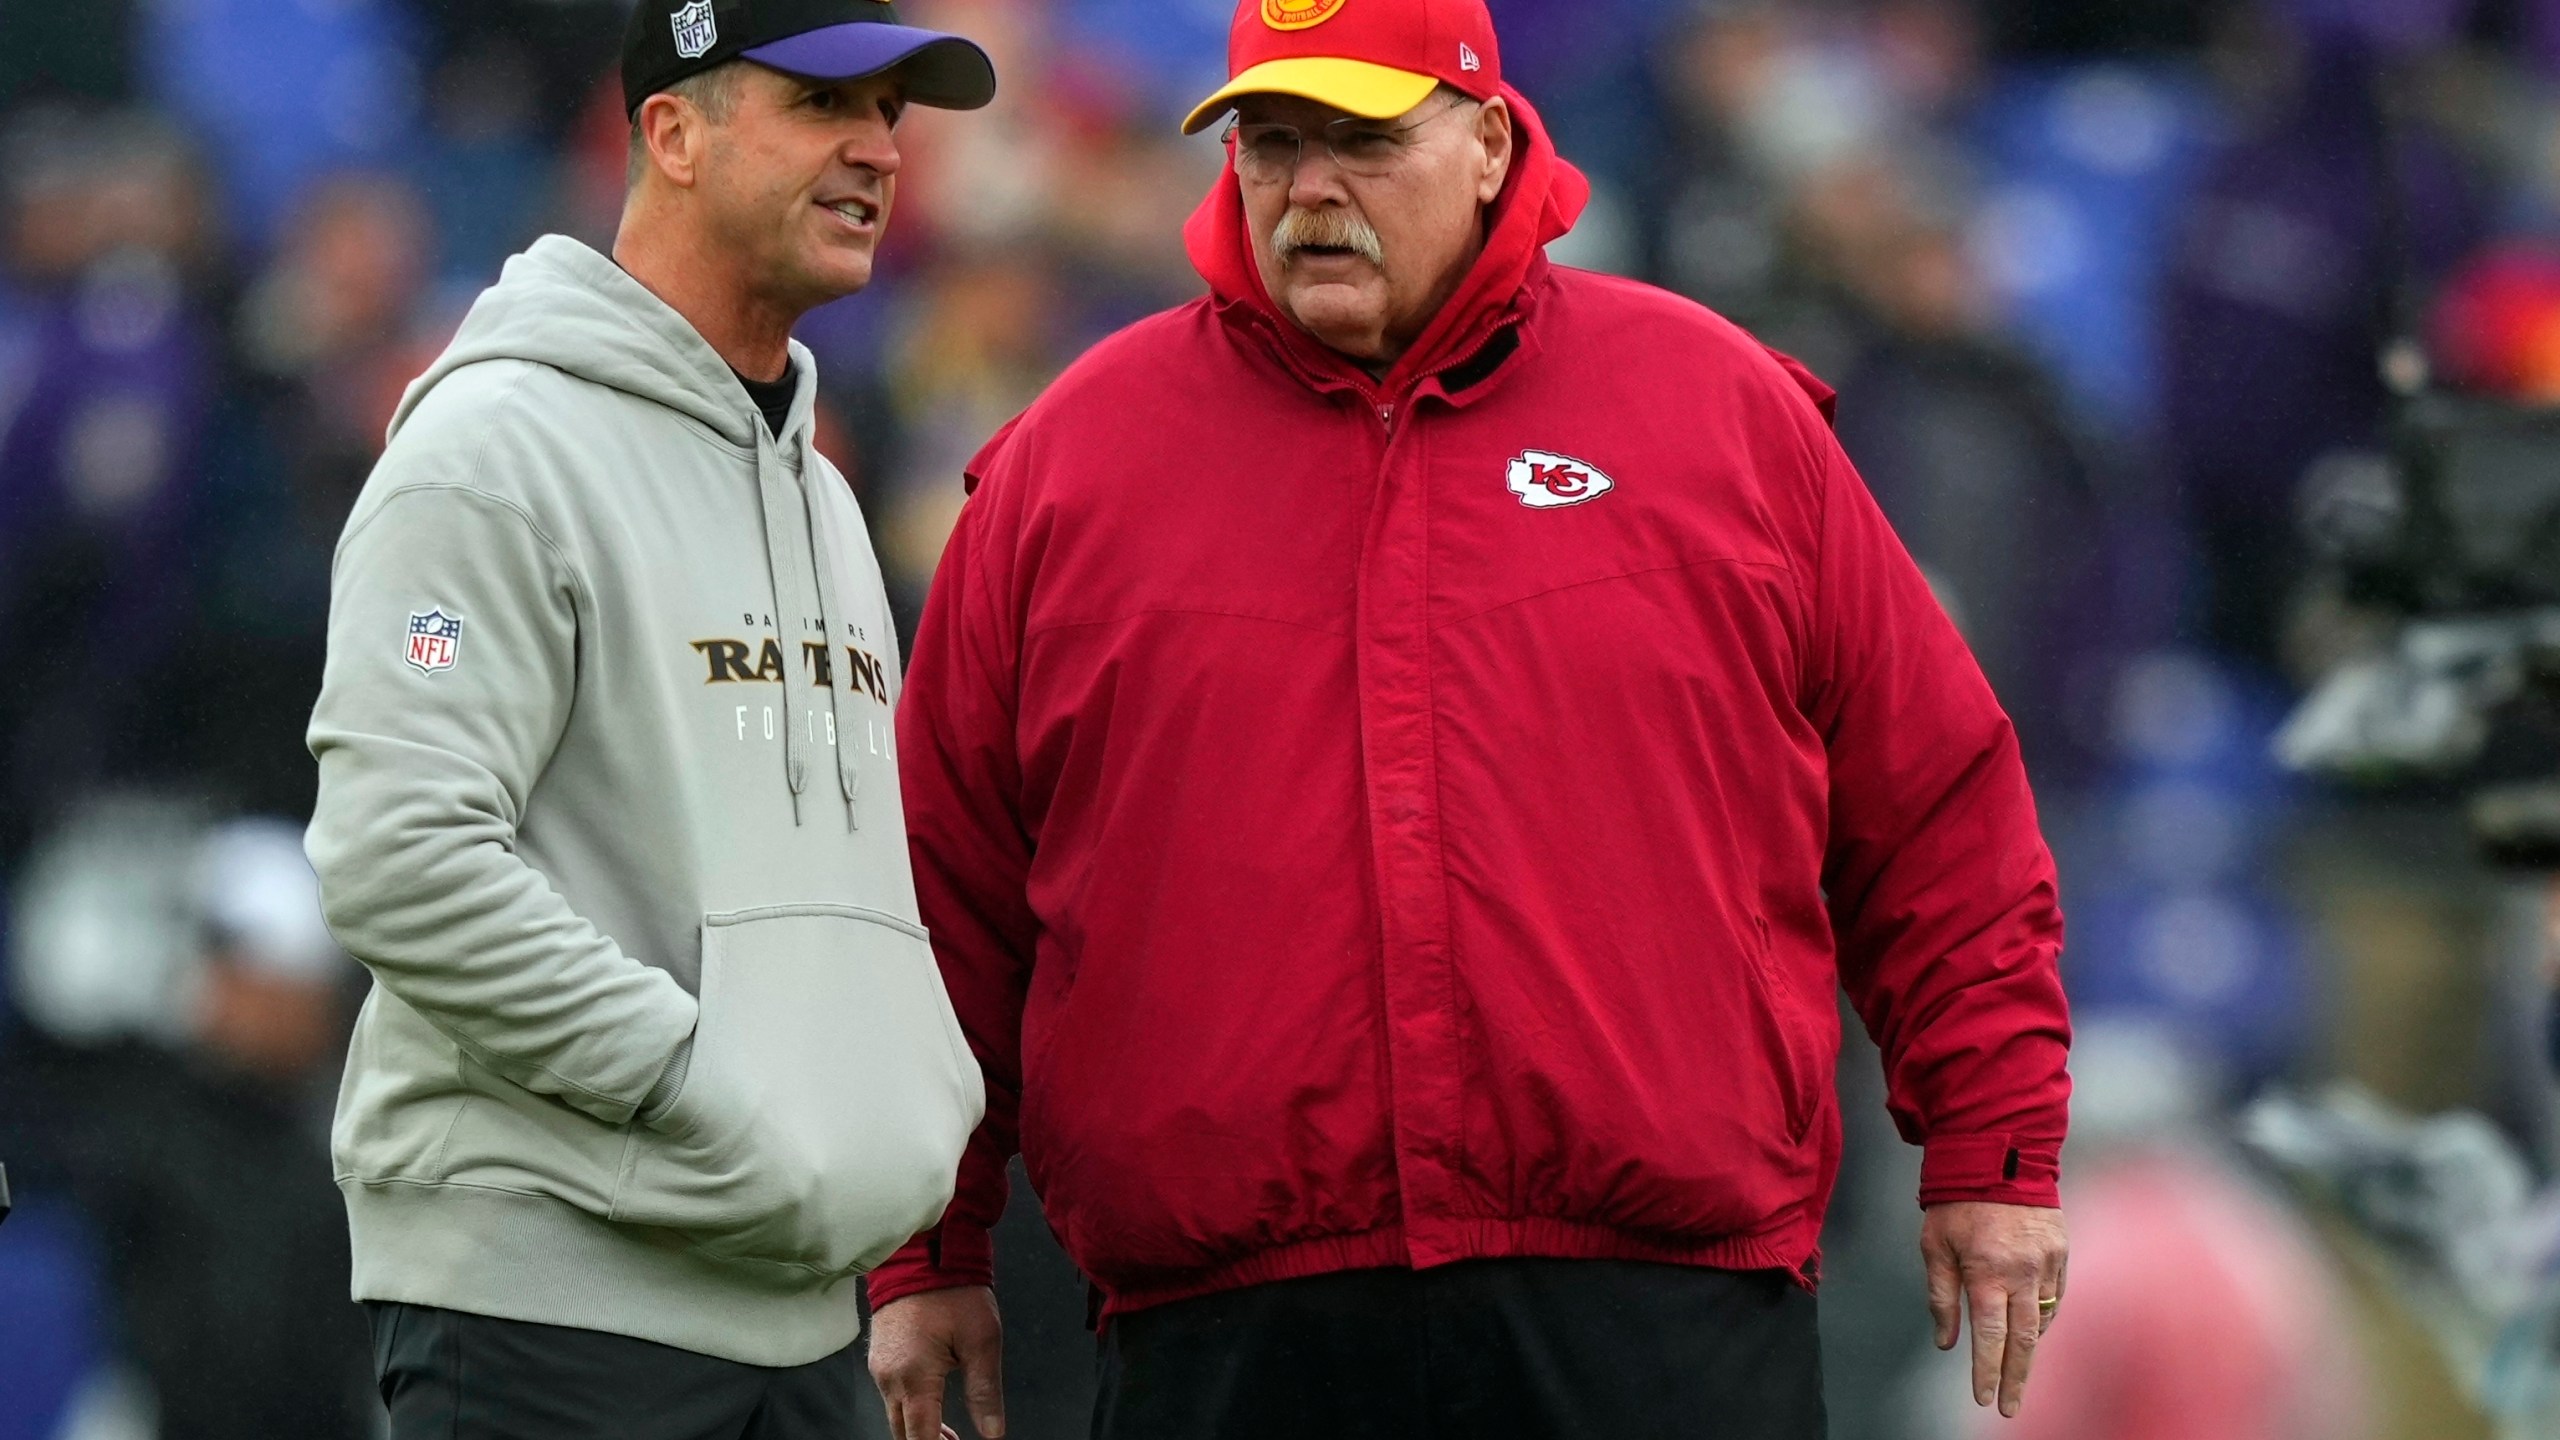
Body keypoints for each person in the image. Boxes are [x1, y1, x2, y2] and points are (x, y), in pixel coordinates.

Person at [865, 0, 2071, 1435]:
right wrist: (927, 1247)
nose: (1310, 188)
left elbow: (1934, 811)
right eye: (1273, 142)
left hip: (1658, 1310)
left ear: (1492, 142)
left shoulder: (1720, 416)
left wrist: (1992, 1155)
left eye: (1364, 141)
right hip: (1234, 1331)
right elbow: (943, 894)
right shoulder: (1075, 465)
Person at [302, 3, 995, 1434]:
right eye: (821, 107)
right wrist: (697, 1082)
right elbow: (400, 858)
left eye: (890, 116)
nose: (877, 150)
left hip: (800, 1312)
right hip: (555, 1321)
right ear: (671, 133)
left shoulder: (821, 488)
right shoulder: (492, 448)